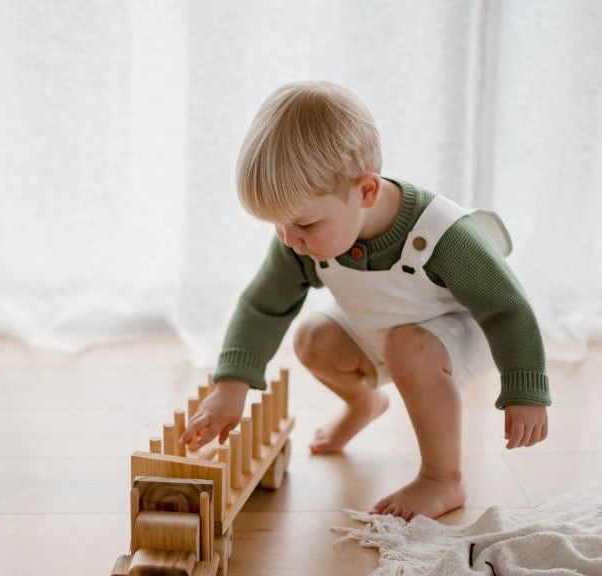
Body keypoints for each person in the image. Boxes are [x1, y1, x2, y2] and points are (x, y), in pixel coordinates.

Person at [179, 80, 551, 521]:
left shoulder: (446, 236)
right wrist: (231, 386)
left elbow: (507, 307)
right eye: (277, 226)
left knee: (407, 346)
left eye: (303, 225)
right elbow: (263, 305)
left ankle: (442, 477)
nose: (290, 241)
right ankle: (364, 404)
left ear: (366, 192)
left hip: (456, 337)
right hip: (382, 330)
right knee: (312, 338)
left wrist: (525, 388)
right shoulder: (299, 238)